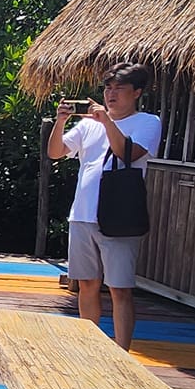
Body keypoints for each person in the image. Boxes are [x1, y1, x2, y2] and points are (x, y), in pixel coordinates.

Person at [48, 62, 164, 351]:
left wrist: (108, 123)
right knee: (86, 284)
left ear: (137, 92)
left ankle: (122, 352)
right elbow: (55, 153)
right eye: (108, 88)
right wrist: (60, 121)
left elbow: (127, 153)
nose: (111, 94)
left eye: (119, 89)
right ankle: (90, 349)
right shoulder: (88, 123)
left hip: (119, 216)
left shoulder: (148, 122)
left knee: (119, 289)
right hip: (83, 214)